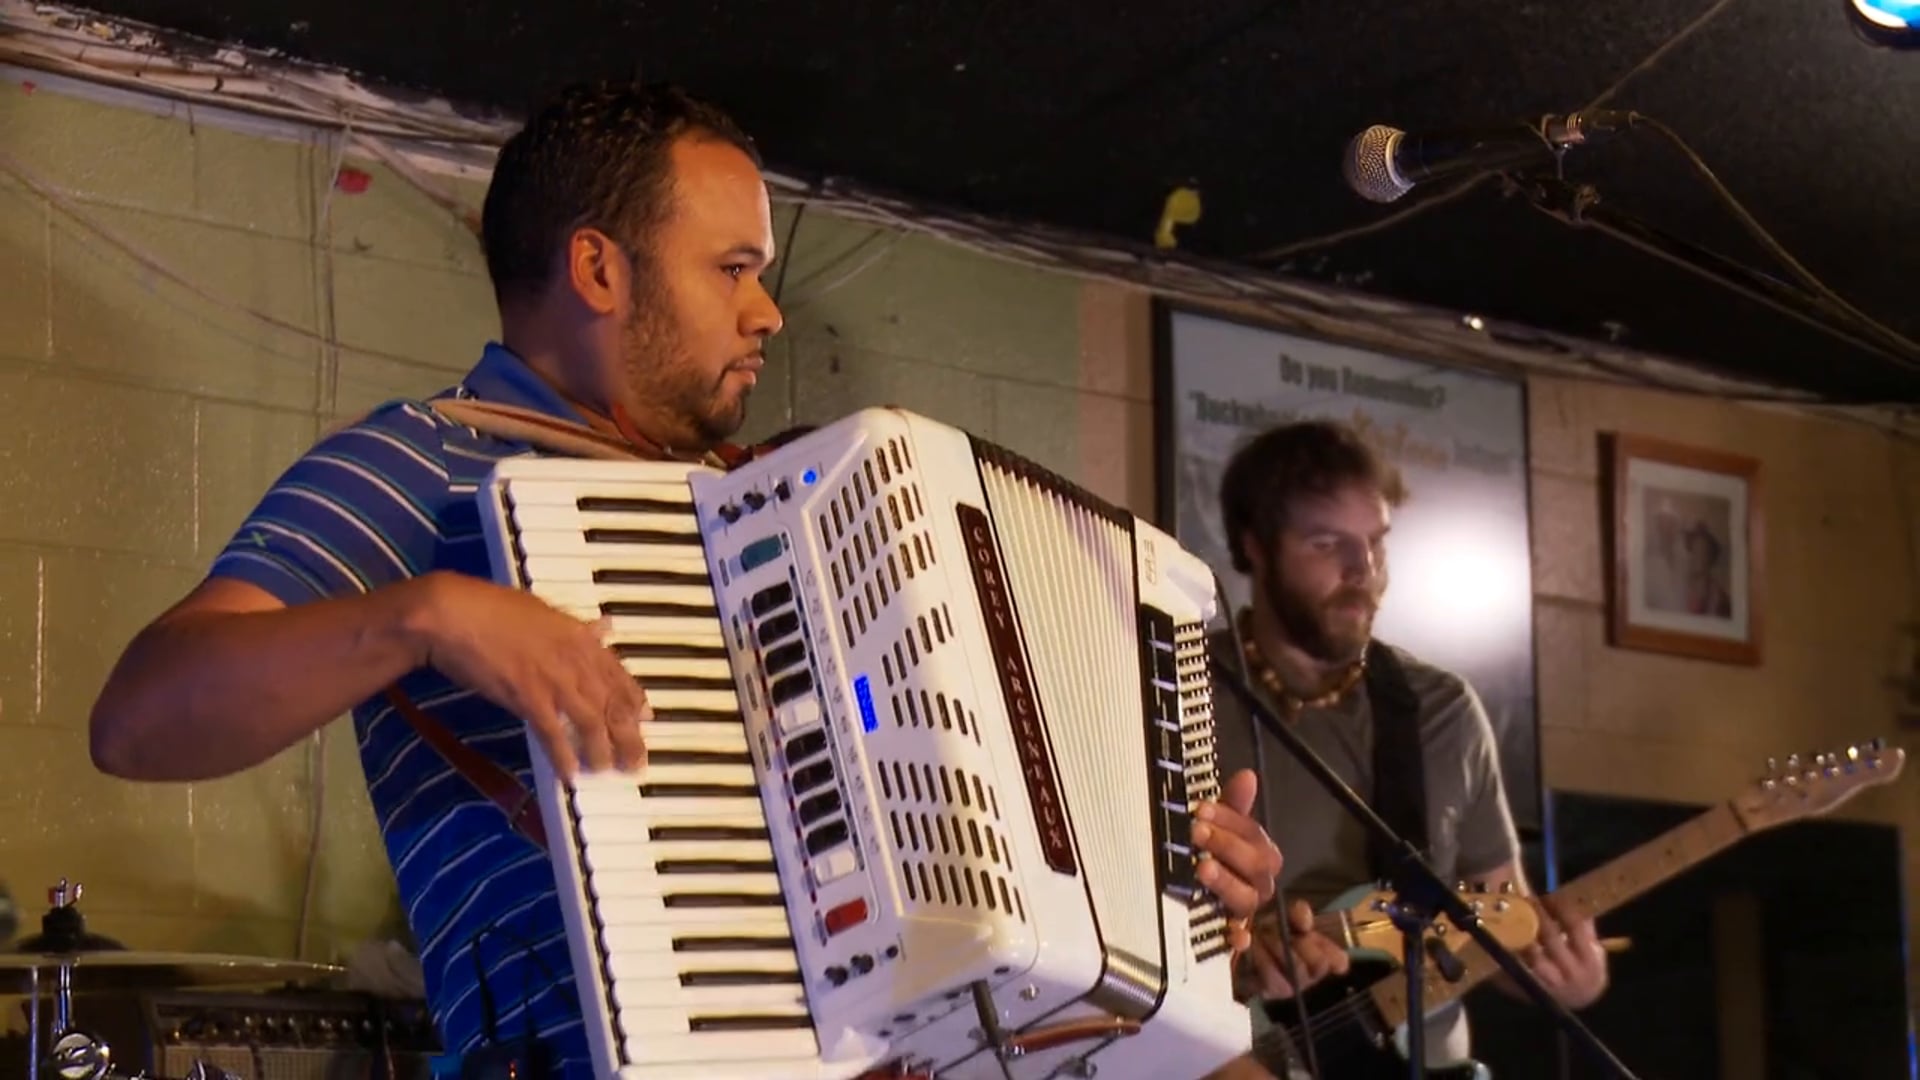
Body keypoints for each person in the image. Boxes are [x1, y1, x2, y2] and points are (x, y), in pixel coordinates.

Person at [86, 79, 1285, 1079]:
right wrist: (425, 615)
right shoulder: (424, 464)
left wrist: (1169, 886)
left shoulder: (788, 515)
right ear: (601, 270)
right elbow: (140, 718)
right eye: (734, 268)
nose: (767, 312)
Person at [1209, 419, 1608, 1075]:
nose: (1362, 569)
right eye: (1327, 543)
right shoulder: (1178, 690)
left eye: (1374, 543)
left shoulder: (1441, 710)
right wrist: (1242, 959)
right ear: (1254, 547)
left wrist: (1567, 979)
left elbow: (1498, 915)